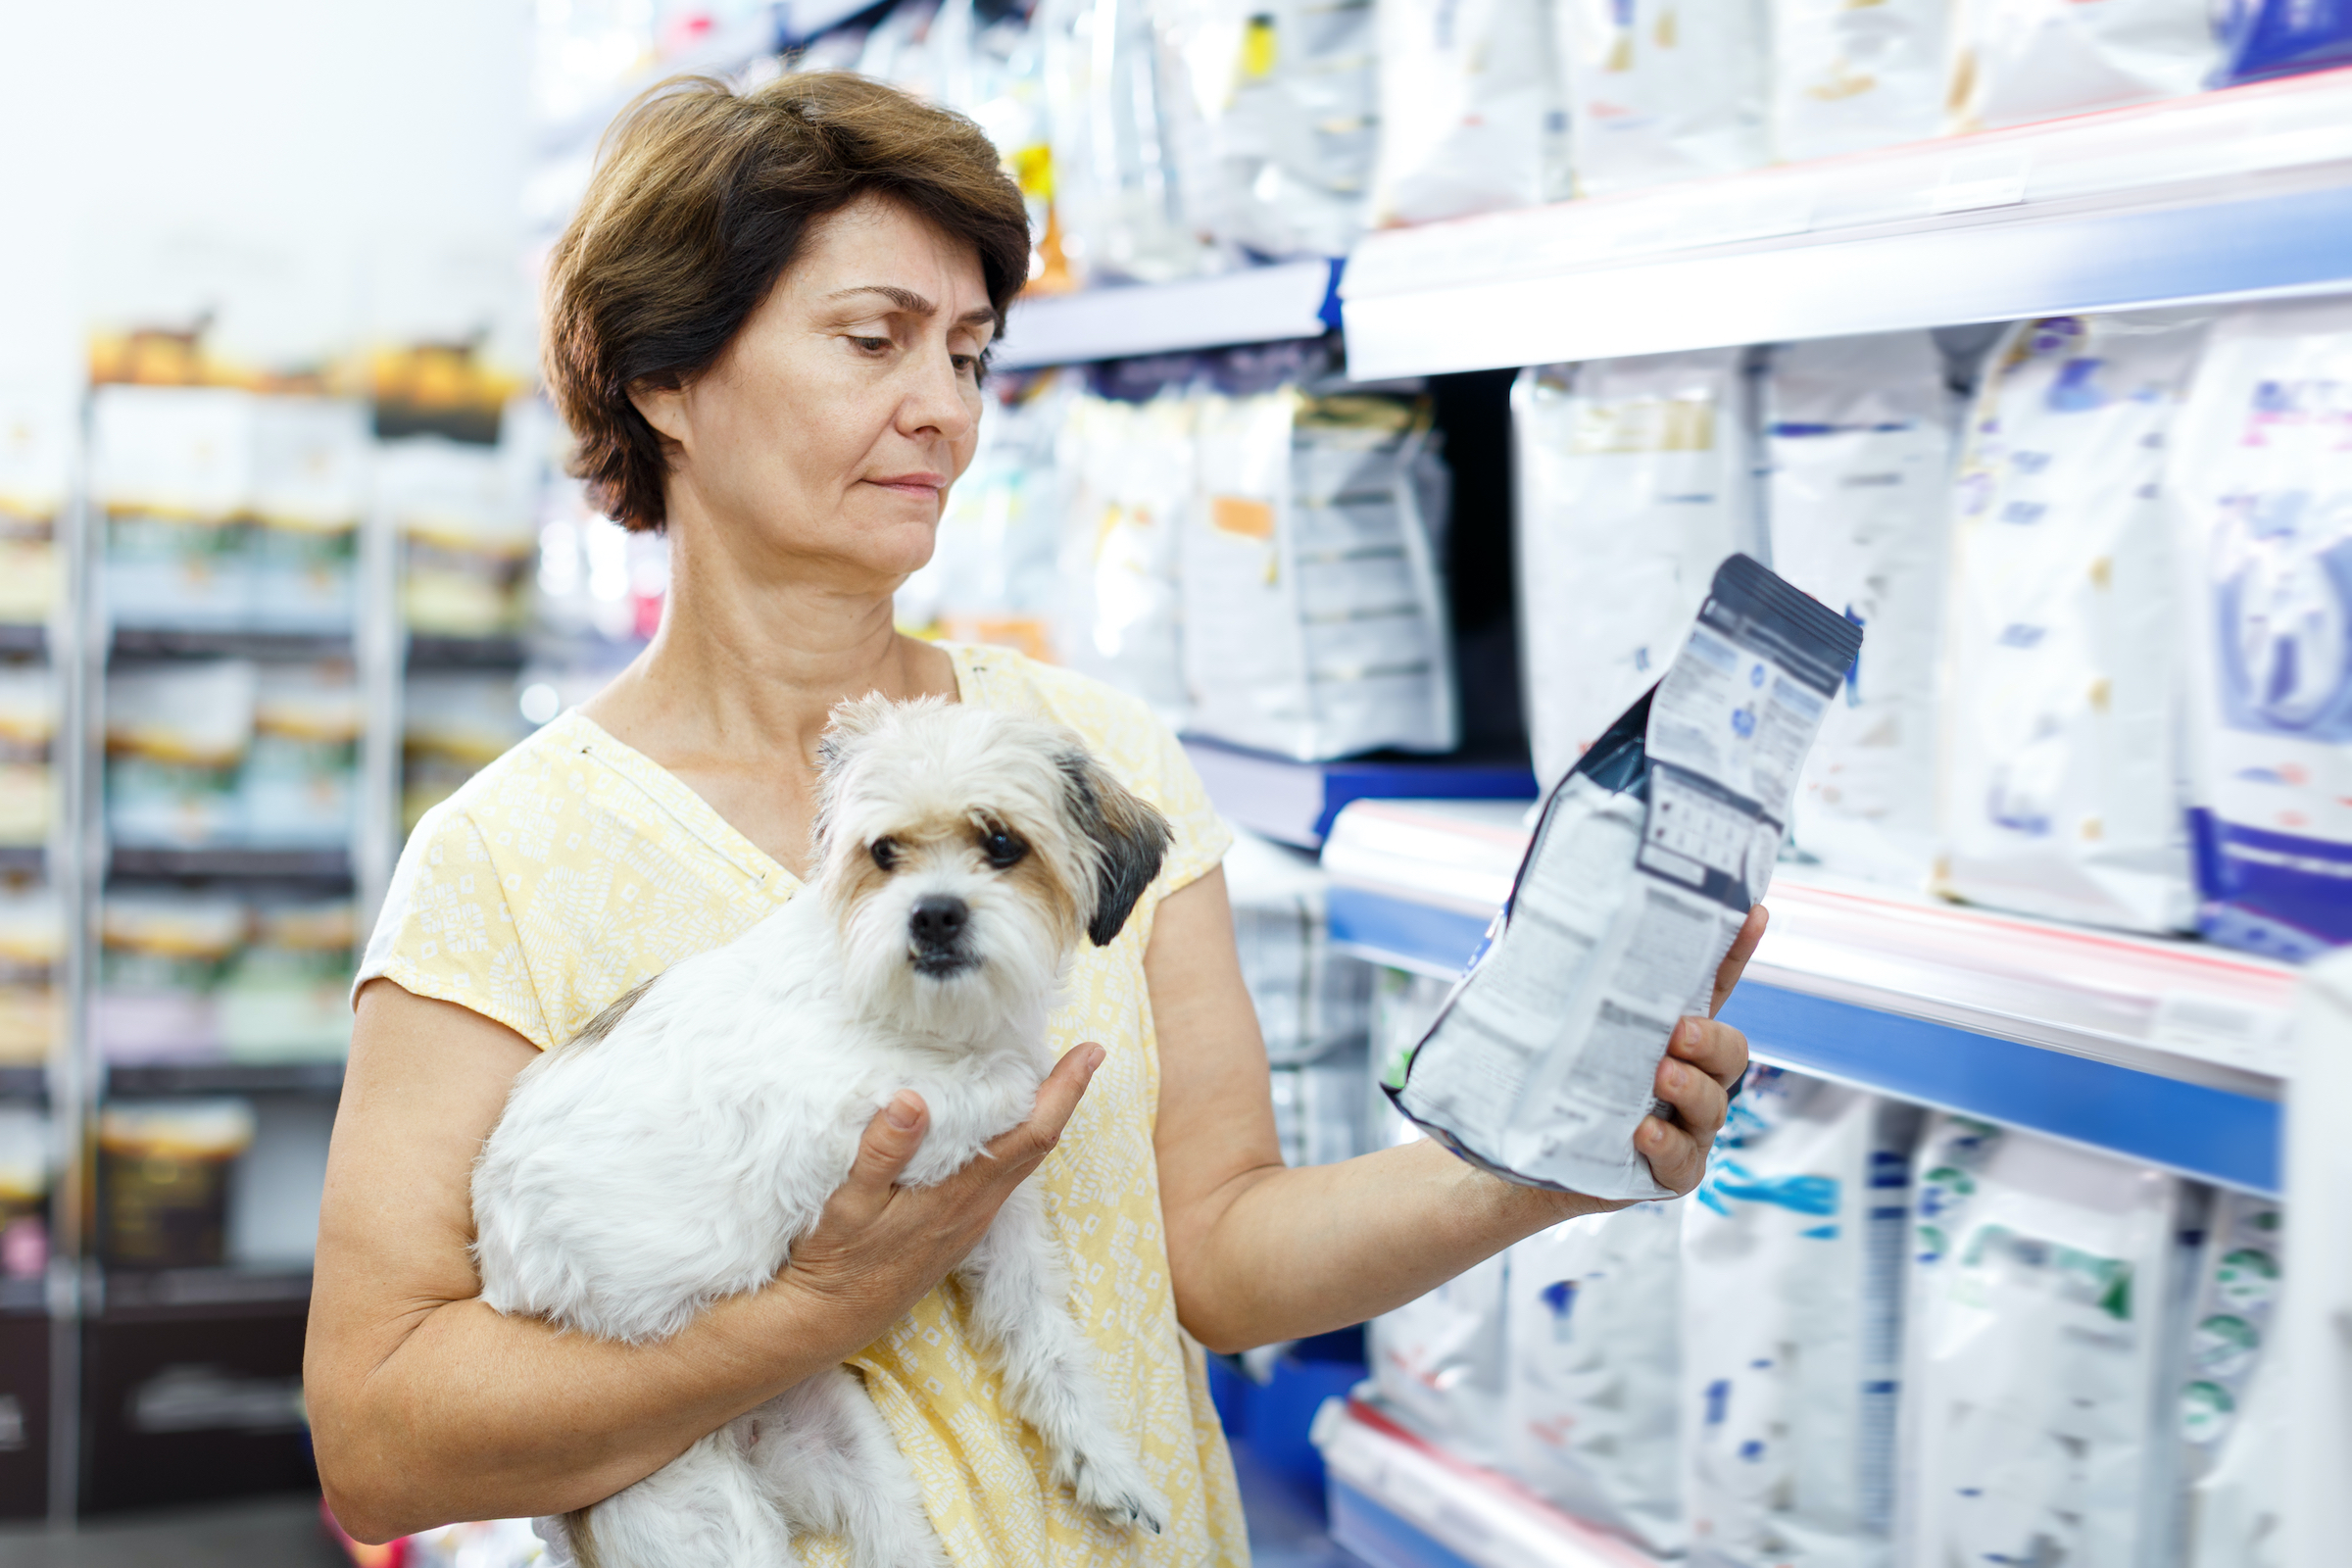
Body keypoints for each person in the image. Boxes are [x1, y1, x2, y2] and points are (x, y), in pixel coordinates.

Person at [303, 70, 1758, 1562]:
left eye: (972, 355)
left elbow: (1221, 1254)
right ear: (663, 377)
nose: (939, 408)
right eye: (874, 340)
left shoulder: (1095, 764)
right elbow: (377, 1442)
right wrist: (804, 1316)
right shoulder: (506, 860)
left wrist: (1528, 1162)